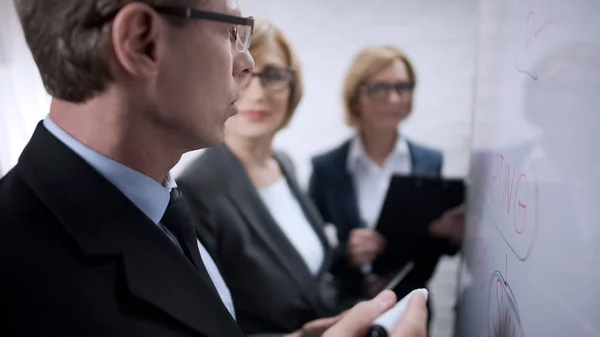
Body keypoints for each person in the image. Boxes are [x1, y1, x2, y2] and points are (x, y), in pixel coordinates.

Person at [0, 1, 428, 336]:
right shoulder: (20, 276)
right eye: (230, 32)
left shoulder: (159, 201)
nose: (247, 66)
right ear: (141, 42)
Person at [177, 18, 341, 337]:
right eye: (243, 74)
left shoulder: (284, 164)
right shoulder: (195, 191)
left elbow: (304, 273)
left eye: (274, 76)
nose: (257, 93)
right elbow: (205, 326)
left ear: (293, 87)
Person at [308, 46, 464, 322]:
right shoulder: (327, 167)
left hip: (410, 309)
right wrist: (348, 253)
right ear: (356, 97)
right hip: (346, 309)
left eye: (402, 87)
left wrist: (447, 235)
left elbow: (436, 249)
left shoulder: (429, 161)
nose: (394, 98)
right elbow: (311, 251)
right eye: (381, 88)